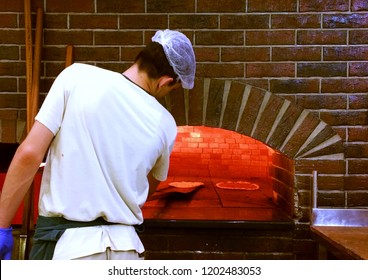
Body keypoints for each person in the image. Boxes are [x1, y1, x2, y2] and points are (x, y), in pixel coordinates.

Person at [0, 29, 196, 260]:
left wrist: (2, 227)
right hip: (127, 251)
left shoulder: (77, 77)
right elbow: (147, 186)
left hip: (69, 250)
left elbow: (30, 154)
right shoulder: (166, 123)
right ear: (166, 82)